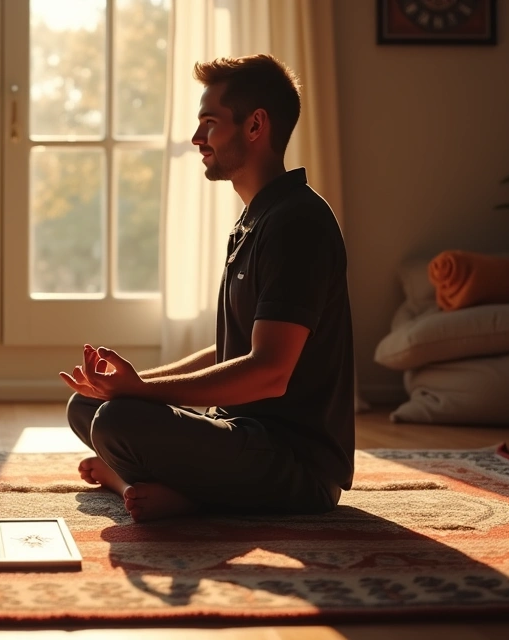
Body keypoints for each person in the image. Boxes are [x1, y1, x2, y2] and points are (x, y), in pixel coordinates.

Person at [60, 54, 354, 522]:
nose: (198, 139)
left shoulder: (298, 223)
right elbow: (229, 349)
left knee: (118, 421)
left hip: (296, 464)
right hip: (238, 431)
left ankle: (152, 486)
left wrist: (139, 396)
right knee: (90, 405)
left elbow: (270, 371)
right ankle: (150, 482)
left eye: (210, 123)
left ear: (255, 125)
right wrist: (130, 386)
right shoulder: (256, 220)